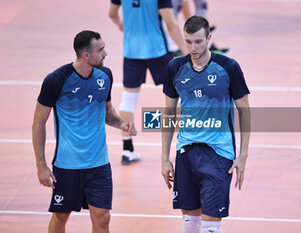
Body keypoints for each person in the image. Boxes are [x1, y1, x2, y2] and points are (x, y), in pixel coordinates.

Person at [32, 30, 137, 233]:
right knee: (61, 216)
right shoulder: (57, 80)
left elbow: (107, 110)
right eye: (101, 50)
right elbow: (38, 123)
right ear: (86, 55)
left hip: (99, 164)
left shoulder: (104, 76)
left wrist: (122, 124)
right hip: (67, 164)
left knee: (102, 217)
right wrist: (41, 165)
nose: (105, 54)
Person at [162, 16, 251, 233]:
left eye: (198, 42)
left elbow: (245, 110)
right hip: (186, 153)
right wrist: (164, 158)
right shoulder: (175, 67)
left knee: (211, 226)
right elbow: (169, 113)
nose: (193, 47)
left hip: (218, 154)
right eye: (188, 42)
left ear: (209, 38)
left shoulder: (228, 67)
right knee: (190, 225)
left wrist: (243, 155)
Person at [109, 0, 187, 165]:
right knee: (178, 97)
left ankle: (127, 149)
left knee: (128, 100)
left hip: (132, 50)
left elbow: (112, 13)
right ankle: (186, 147)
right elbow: (171, 23)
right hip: (157, 48)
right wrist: (187, 52)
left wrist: (122, 25)